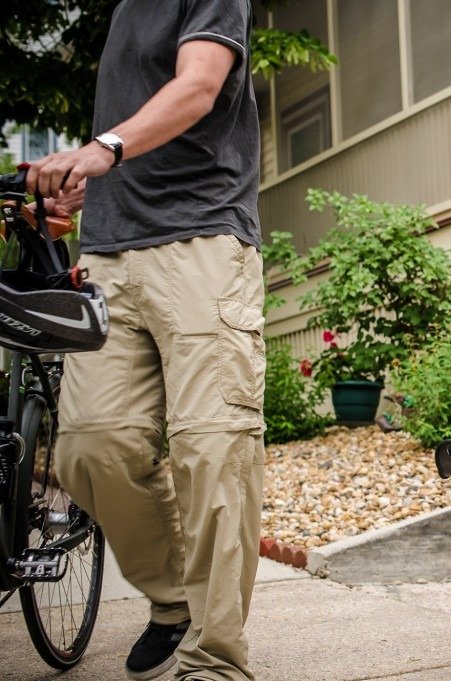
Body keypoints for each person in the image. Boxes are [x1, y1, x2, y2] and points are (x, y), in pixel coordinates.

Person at [26, 1, 265, 679]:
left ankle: (215, 657)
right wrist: (79, 191)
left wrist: (104, 147)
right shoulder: (127, 11)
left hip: (203, 240)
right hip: (110, 249)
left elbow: (197, 85)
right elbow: (138, 129)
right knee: (90, 445)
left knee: (213, 449)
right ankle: (173, 600)